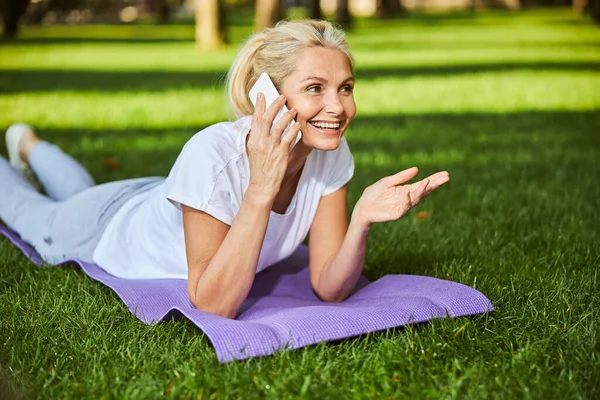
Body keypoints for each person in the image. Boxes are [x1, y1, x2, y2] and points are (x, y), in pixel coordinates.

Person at [0, 20, 449, 319]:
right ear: (268, 95)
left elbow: (329, 287)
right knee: (23, 207)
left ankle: (30, 143)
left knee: (81, 190)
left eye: (345, 87)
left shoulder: (331, 151)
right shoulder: (212, 154)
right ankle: (26, 148)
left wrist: (361, 222)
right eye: (315, 88)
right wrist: (261, 187)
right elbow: (213, 304)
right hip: (104, 228)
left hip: (156, 197)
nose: (337, 107)